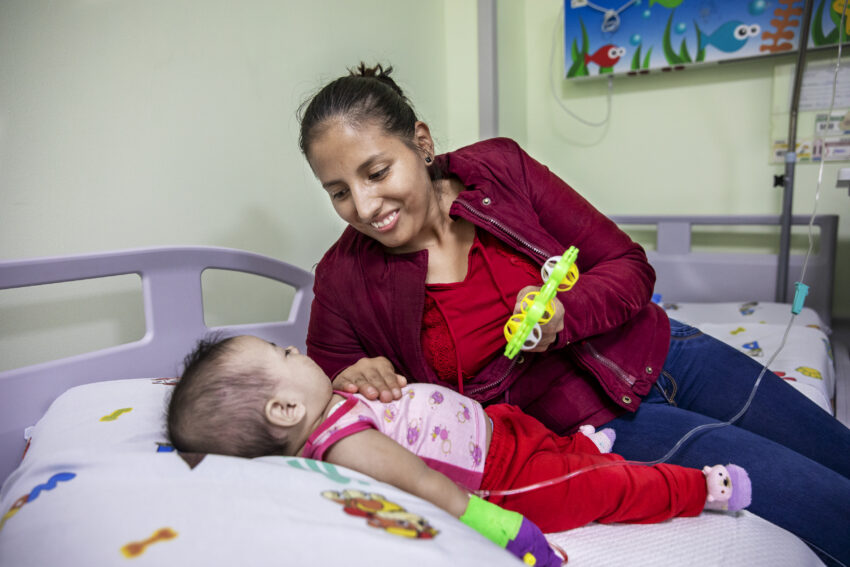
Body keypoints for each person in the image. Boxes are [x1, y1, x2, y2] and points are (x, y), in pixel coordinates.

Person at [296, 63, 850, 566]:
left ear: (420, 141)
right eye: (339, 192)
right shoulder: (344, 279)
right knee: (826, 503)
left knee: (838, 455)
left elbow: (627, 264)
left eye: (376, 172)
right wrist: (350, 377)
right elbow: (327, 404)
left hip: (669, 350)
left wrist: (566, 312)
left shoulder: (500, 170)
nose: (364, 208)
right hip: (599, 425)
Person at [166, 335, 751, 541]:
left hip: (497, 432)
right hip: (502, 481)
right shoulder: (344, 445)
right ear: (286, 407)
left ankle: (581, 450)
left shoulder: (327, 408)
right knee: (601, 488)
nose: (298, 350)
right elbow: (423, 483)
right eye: (284, 353)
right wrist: (503, 531)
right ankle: (698, 490)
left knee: (561, 446)